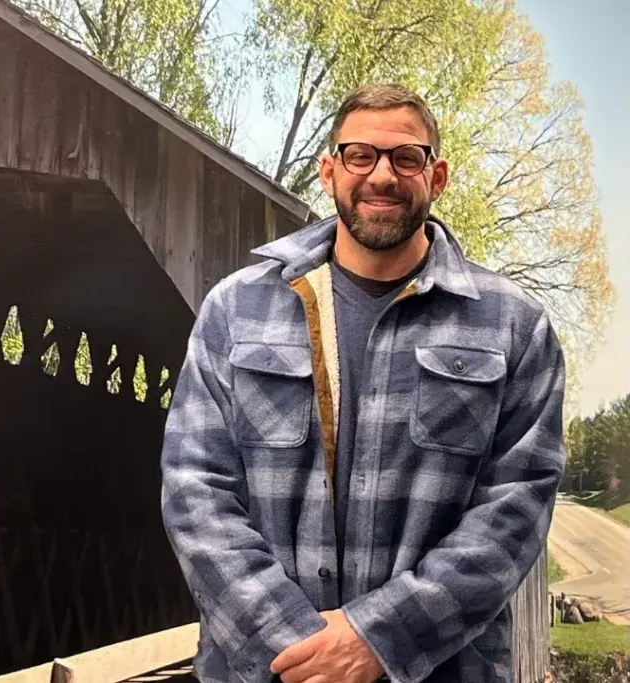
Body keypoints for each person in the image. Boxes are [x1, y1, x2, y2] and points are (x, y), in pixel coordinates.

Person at [159, 83, 567, 683]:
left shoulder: (514, 326)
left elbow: (514, 512)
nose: (382, 175)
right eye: (360, 156)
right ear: (328, 171)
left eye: (406, 157)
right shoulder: (236, 309)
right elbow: (194, 488)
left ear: (438, 175)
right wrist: (297, 648)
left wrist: (380, 641)